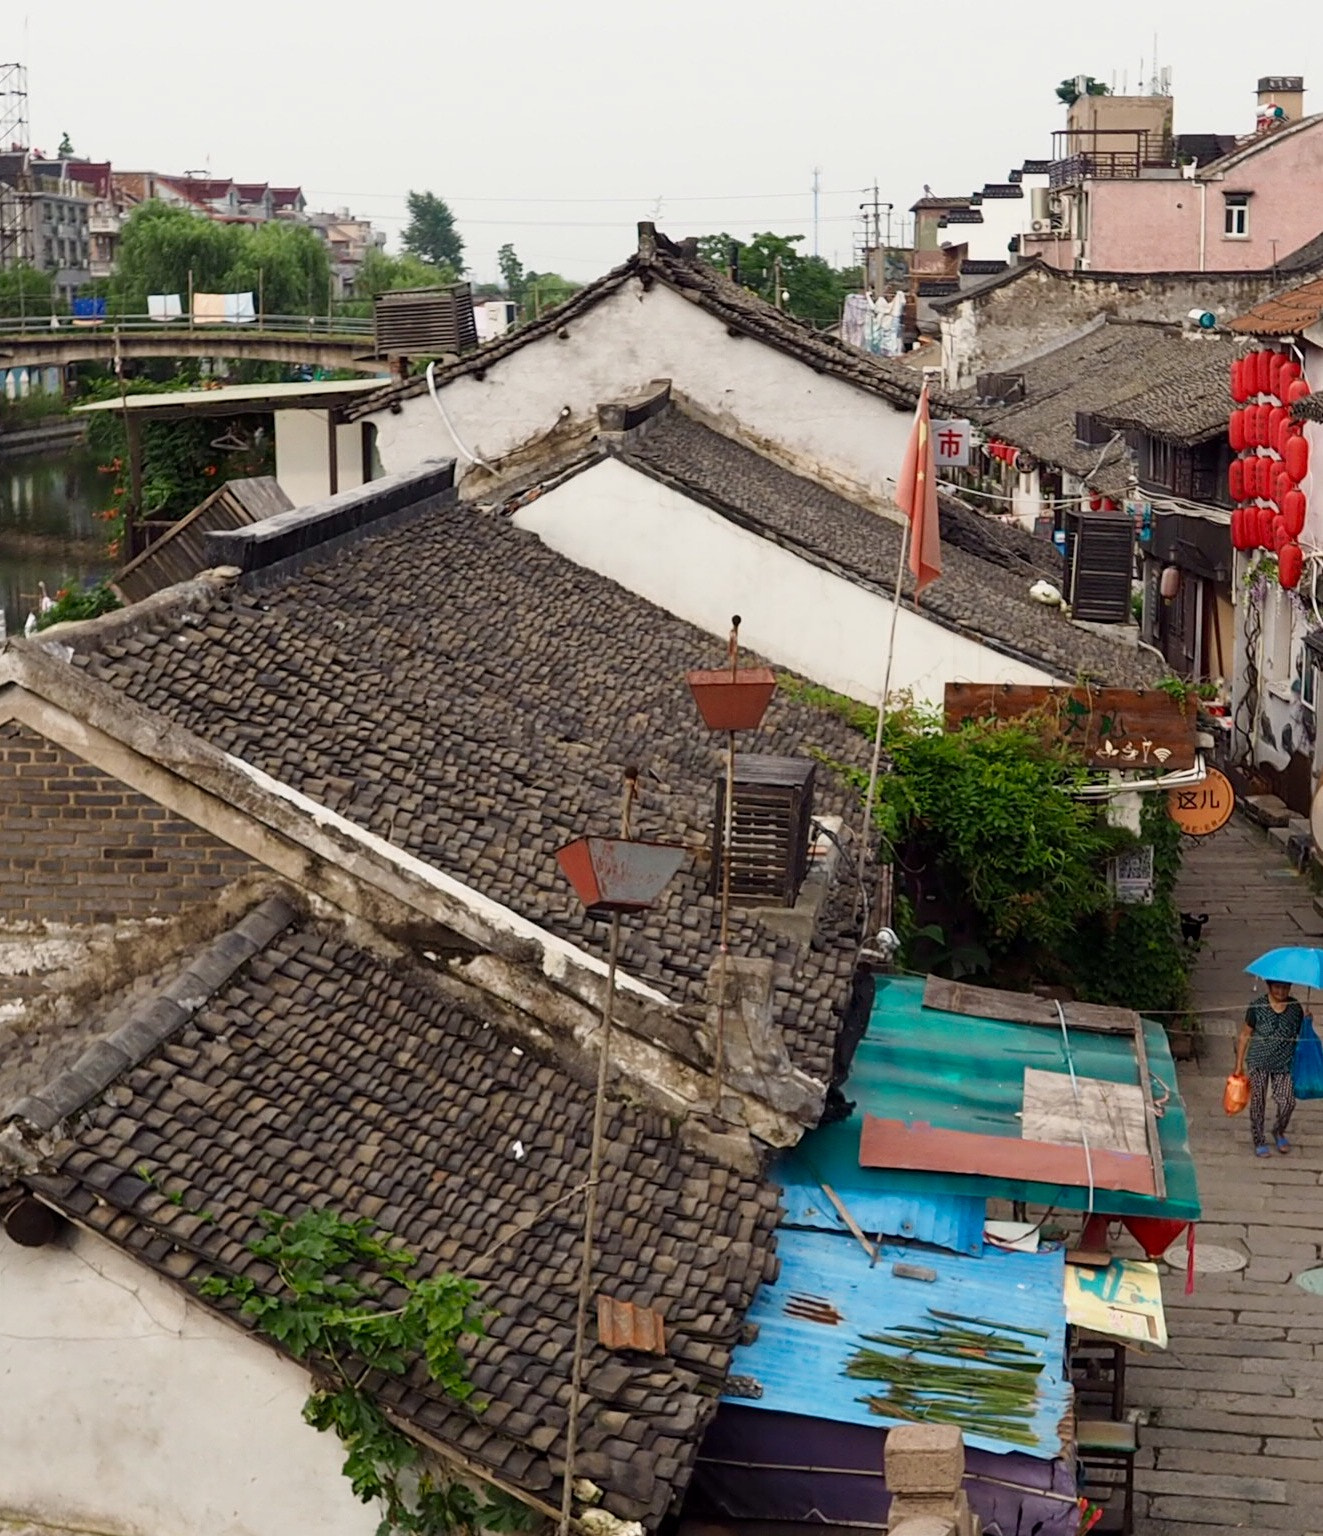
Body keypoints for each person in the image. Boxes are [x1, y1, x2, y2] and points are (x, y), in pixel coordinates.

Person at [1234, 980, 1304, 1156]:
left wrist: (1308, 1022)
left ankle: (1278, 1131)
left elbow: (1302, 1035)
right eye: (1277, 987)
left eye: (1285, 987)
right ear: (1269, 986)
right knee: (1258, 1102)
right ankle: (1259, 1139)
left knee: (1288, 1101)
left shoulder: (1295, 1009)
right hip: (1258, 1061)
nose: (1281, 991)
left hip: (1284, 1063)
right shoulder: (1257, 1006)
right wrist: (1238, 1065)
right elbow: (1245, 1034)